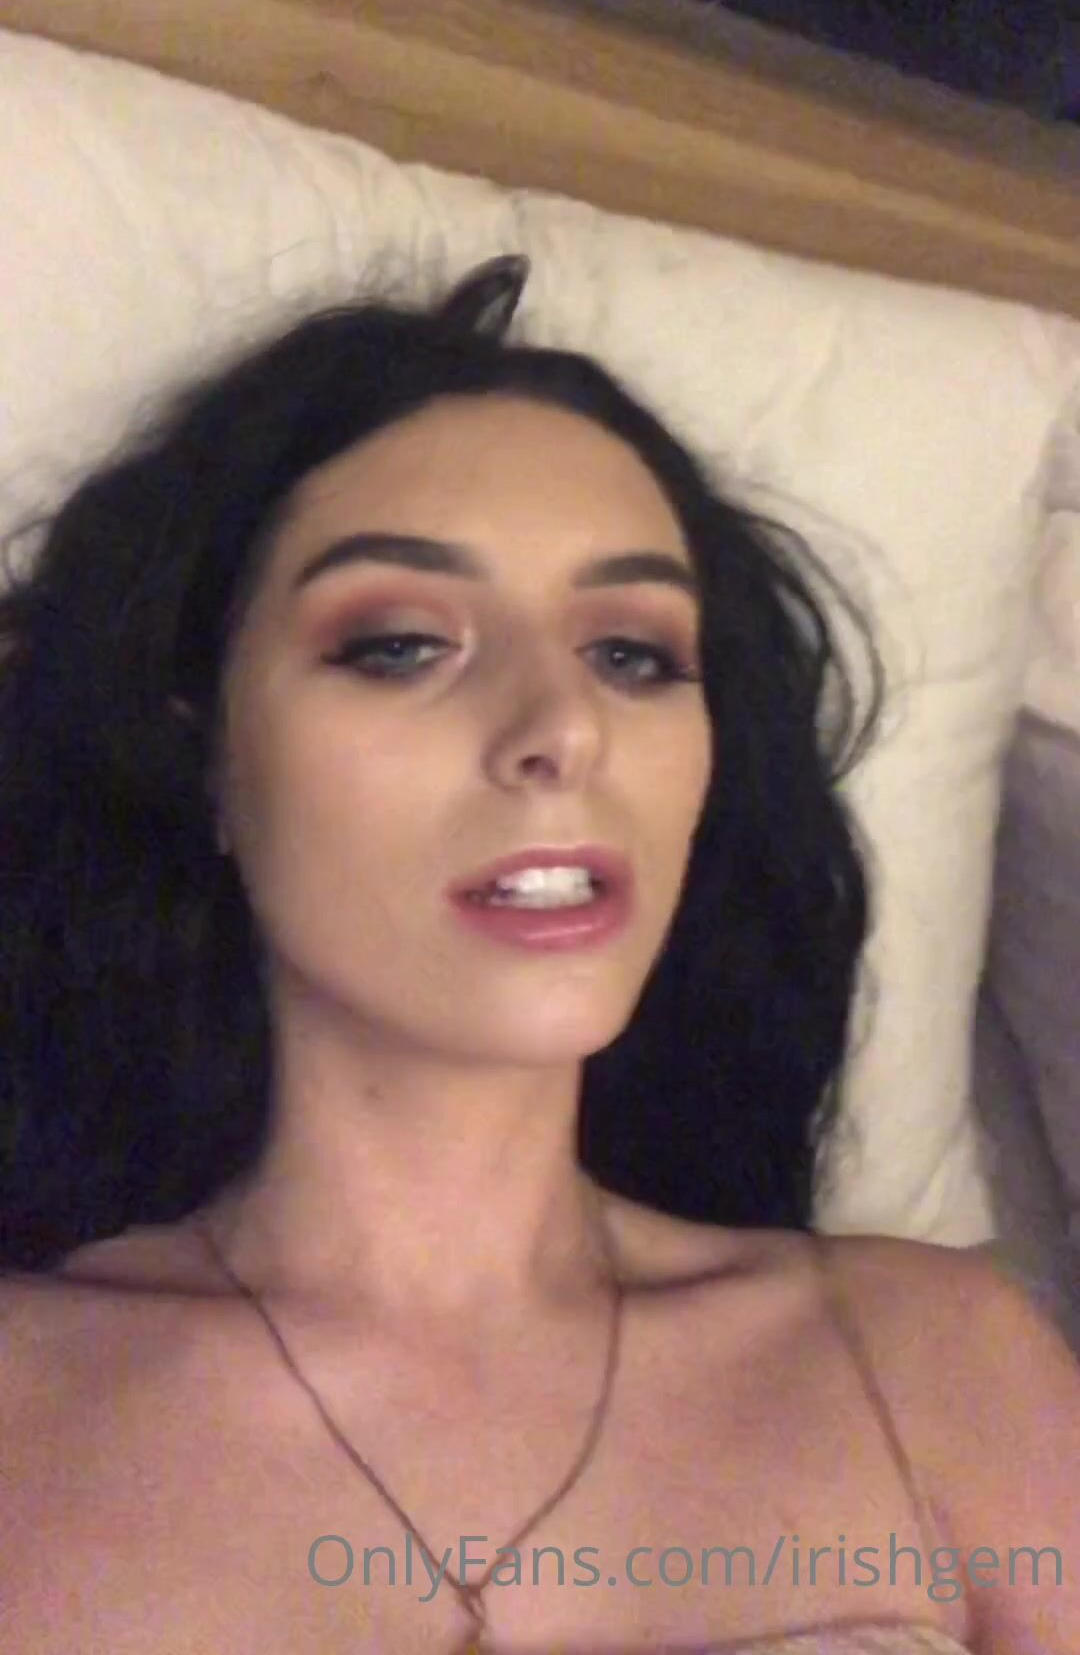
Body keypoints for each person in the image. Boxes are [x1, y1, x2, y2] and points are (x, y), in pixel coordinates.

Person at [1, 256, 1076, 1655]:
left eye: (633, 656)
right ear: (202, 753)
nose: (563, 729)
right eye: (400, 645)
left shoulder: (934, 1362)